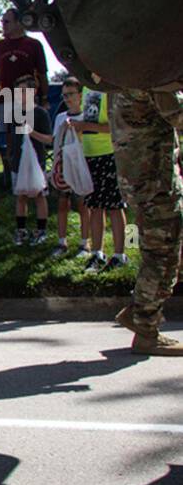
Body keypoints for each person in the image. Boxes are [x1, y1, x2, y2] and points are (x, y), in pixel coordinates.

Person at [109, 89, 183, 355]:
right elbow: (178, 114)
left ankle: (140, 311)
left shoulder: (120, 73)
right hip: (155, 181)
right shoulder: (151, 75)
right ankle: (146, 331)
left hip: (142, 178)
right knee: (162, 256)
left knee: (164, 251)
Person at [68, 90, 127, 272]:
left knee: (115, 206)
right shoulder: (86, 89)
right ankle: (97, 253)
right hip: (89, 154)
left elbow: (114, 126)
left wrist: (84, 125)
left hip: (109, 153)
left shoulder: (110, 89)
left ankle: (119, 255)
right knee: (94, 207)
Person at [42, 77, 93, 258]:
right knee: (62, 203)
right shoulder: (60, 117)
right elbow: (55, 141)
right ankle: (61, 242)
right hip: (64, 165)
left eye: (71, 94)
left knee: (82, 204)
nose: (67, 98)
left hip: (82, 165)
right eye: (64, 95)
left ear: (80, 95)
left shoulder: (87, 116)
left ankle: (84, 242)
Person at [7, 74, 52, 246]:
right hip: (18, 160)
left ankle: (41, 230)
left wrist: (31, 132)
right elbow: (12, 135)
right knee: (21, 195)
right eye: (18, 91)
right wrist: (10, 155)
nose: (21, 94)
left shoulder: (40, 113)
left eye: (24, 90)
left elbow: (49, 139)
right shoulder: (15, 113)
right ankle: (21, 229)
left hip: (36, 161)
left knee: (39, 195)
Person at [0, 7, 48, 92]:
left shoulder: (34, 44)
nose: (3, 25)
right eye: (2, 22)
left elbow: (42, 75)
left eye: (7, 22)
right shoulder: (0, 46)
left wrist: (45, 98)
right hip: (5, 100)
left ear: (19, 23)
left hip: (28, 99)